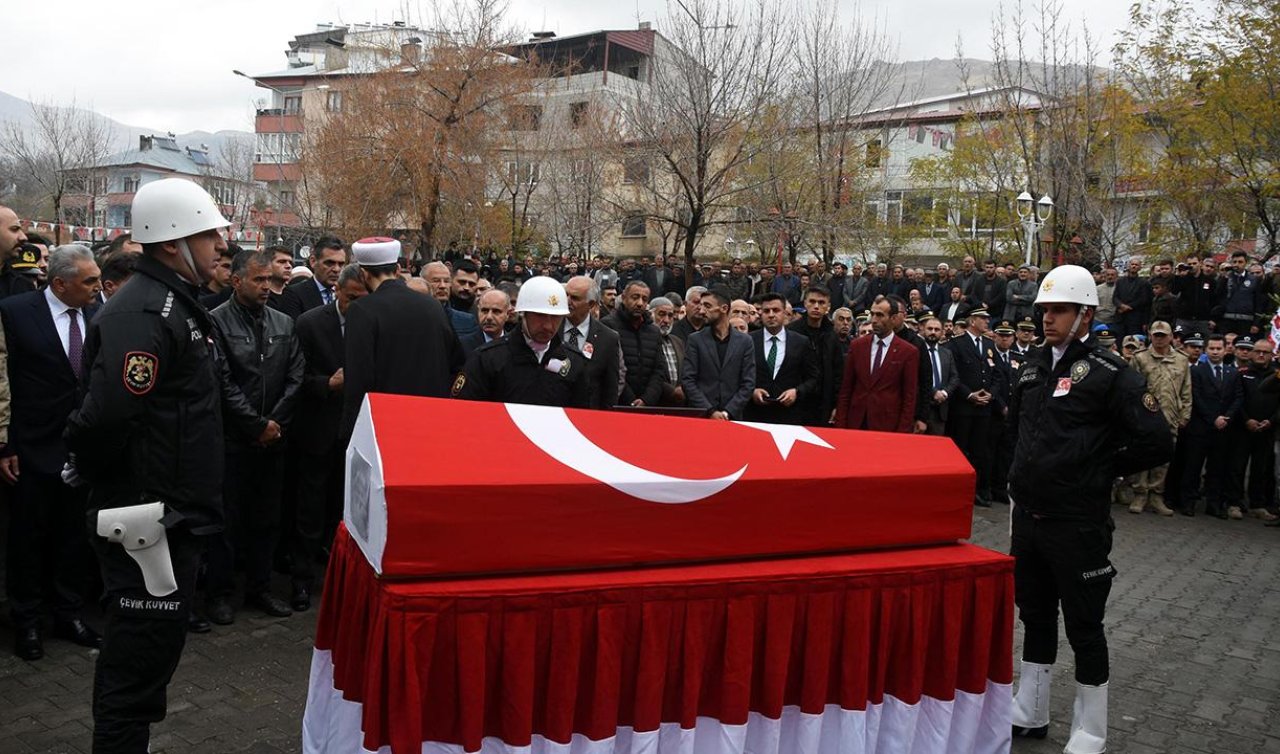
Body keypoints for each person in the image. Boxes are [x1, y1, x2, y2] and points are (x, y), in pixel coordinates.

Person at [66, 178, 232, 753]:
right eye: (209, 233)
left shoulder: (174, 305)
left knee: (151, 656)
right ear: (171, 242)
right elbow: (107, 417)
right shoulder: (143, 310)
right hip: (145, 520)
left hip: (170, 516)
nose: (221, 244)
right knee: (135, 663)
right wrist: (101, 478)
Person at [1006, 264, 1172, 753]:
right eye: (1044, 310)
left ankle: (1091, 727)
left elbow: (1156, 440)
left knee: (1084, 625)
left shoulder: (1111, 374)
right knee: (1034, 615)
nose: (1048, 319)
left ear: (1085, 314)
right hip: (1030, 516)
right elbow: (1018, 430)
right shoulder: (1033, 365)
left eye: (1059, 310)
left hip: (1077, 522)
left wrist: (1101, 469)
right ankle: (1030, 708)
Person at [0, 245, 103, 660]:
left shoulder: (98, 316)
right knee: (28, 537)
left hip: (82, 447)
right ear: (59, 283)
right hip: (30, 446)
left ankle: (69, 613)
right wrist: (5, 442)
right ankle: (26, 621)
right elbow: (4, 377)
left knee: (73, 536)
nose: (98, 287)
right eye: (90, 281)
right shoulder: (15, 311)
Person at [290, 263, 366, 611]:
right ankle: (301, 581)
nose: (358, 306)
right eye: (352, 299)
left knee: (347, 512)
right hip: (317, 430)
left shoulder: (374, 324)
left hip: (357, 436)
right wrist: (327, 384)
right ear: (337, 291)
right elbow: (294, 379)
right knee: (308, 509)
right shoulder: (310, 324)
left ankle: (345, 581)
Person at [341, 238, 463, 440]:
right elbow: (455, 361)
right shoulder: (432, 306)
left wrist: (350, 432)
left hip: (385, 426)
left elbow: (359, 378)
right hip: (432, 420)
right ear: (397, 270)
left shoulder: (361, 310)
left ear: (363, 274)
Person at [455, 276, 588, 407]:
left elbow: (583, 417)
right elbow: (464, 411)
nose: (548, 325)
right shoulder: (486, 359)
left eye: (555, 317)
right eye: (540, 316)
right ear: (523, 314)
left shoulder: (574, 362)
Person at [1125, 321, 1190, 516]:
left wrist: (1185, 414)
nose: (1159, 339)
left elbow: (1186, 389)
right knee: (1142, 453)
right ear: (1150, 336)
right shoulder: (1140, 358)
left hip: (1170, 414)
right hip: (1145, 414)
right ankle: (1140, 493)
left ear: (1171, 337)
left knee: (1164, 456)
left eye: (1163, 335)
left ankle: (1156, 495)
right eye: (1156, 335)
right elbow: (1130, 388)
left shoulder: (1181, 360)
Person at [833, 296, 919, 432]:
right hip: (855, 422)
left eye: (880, 315)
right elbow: (846, 389)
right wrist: (841, 425)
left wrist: (902, 432)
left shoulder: (908, 352)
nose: (873, 320)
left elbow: (909, 397)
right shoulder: (857, 346)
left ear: (894, 318)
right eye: (872, 314)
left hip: (888, 426)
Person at [1182, 334, 1244, 518]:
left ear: (1226, 350)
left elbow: (1238, 397)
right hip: (1201, 427)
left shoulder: (1233, 373)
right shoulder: (1197, 371)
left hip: (1223, 429)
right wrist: (1213, 418)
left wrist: (1227, 417)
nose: (1215, 352)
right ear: (1205, 350)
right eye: (1212, 348)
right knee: (1193, 466)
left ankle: (1214, 503)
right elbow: (1196, 397)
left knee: (1217, 468)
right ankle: (1188, 502)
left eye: (1219, 348)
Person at [946, 307, 998, 506]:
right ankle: (956, 489)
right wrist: (969, 394)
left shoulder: (988, 344)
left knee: (980, 450)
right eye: (983, 318)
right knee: (961, 448)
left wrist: (990, 394)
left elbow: (995, 374)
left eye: (988, 318)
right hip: (964, 407)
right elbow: (954, 375)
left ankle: (975, 490)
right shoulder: (957, 344)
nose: (987, 322)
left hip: (984, 407)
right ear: (972, 320)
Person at [681, 287, 755, 420]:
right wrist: (710, 411)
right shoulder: (695, 340)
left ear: (724, 308)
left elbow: (748, 383)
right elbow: (688, 380)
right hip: (702, 416)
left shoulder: (745, 341)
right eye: (701, 305)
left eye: (707, 306)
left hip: (733, 417)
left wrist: (728, 412)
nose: (702, 310)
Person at [746, 293, 819, 425]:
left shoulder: (801, 342)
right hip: (755, 415)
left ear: (785, 313)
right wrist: (752, 391)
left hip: (790, 416)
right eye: (766, 311)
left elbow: (813, 378)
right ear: (761, 314)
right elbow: (738, 374)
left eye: (776, 310)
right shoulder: (748, 341)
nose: (771, 315)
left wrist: (797, 392)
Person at [602, 280, 667, 407]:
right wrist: (630, 399)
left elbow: (659, 370)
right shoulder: (608, 325)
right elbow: (609, 369)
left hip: (648, 404)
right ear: (624, 298)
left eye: (644, 299)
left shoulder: (654, 331)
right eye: (635, 297)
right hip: (617, 402)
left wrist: (647, 399)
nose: (640, 303)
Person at [560, 276, 621, 409]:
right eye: (566, 295)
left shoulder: (608, 338)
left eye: (574, 298)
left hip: (588, 415)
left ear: (591, 304)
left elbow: (610, 390)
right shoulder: (551, 327)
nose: (567, 301)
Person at [276, 236, 346, 319]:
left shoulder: (349, 294)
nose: (336, 269)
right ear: (313, 261)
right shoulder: (294, 294)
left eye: (341, 264)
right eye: (329, 263)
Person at [916, 315, 959, 436]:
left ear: (942, 332)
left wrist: (944, 393)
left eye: (937, 329)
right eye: (930, 329)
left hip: (940, 409)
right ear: (923, 329)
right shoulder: (916, 350)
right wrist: (934, 392)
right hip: (920, 407)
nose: (933, 332)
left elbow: (954, 377)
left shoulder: (947, 353)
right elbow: (917, 377)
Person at [461, 289, 510, 357]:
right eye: (484, 311)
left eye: (496, 311)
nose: (489, 317)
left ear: (507, 314)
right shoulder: (463, 345)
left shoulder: (515, 345)